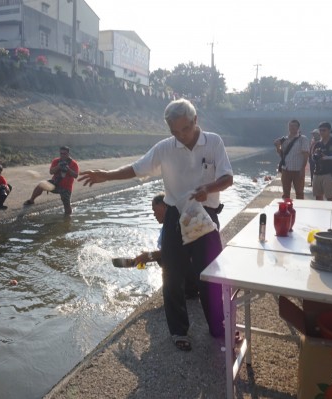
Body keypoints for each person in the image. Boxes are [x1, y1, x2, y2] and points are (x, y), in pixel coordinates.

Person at [78, 98, 233, 352]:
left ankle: (218, 326)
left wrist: (210, 188)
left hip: (205, 216)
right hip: (175, 217)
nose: (180, 136)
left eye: (185, 129)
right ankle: (178, 331)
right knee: (172, 276)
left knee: (211, 276)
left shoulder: (213, 141)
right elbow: (137, 169)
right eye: (174, 131)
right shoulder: (165, 148)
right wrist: (106, 175)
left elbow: (228, 177)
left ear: (195, 121)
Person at [132, 193, 199, 300]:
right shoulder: (167, 227)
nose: (154, 214)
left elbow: (173, 251)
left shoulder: (176, 223)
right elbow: (166, 252)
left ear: (164, 206)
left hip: (191, 274)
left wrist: (149, 256)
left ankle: (186, 289)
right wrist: (147, 257)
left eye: (155, 210)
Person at [24, 146, 79, 215]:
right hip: (55, 183)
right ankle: (31, 200)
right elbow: (51, 172)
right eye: (61, 153)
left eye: (64, 154)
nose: (62, 155)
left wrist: (68, 169)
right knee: (41, 184)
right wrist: (58, 166)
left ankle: (67, 220)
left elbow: (76, 175)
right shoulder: (56, 161)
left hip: (66, 187)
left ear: (68, 154)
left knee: (67, 208)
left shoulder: (73, 163)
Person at [273, 119, 309, 199]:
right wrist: (277, 147)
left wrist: (302, 169)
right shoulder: (284, 139)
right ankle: (286, 210)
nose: (292, 127)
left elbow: (306, 155)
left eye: (294, 126)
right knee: (285, 194)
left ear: (298, 127)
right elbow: (282, 155)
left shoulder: (303, 139)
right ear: (288, 127)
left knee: (299, 193)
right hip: (286, 169)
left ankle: (299, 209)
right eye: (290, 126)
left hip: (297, 170)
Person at [311, 122, 332, 201]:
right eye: (320, 130)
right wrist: (315, 156)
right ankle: (319, 212)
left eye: (324, 130)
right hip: (317, 173)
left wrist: (327, 157)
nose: (322, 132)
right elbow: (313, 158)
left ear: (329, 130)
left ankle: (331, 212)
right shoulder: (317, 144)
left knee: (329, 197)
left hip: (329, 173)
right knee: (318, 196)